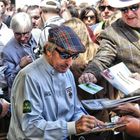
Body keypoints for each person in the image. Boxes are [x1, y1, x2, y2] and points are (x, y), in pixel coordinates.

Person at [7, 25, 104, 140]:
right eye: (64, 55)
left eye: (74, 56)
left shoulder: (67, 74)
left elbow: (74, 109)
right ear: (48, 50)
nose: (69, 62)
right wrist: (72, 127)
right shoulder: (29, 77)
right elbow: (31, 127)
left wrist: (86, 121)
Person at [79, 0, 140, 139]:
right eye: (124, 9)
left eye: (134, 7)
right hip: (133, 113)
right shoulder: (113, 32)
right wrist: (91, 72)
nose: (129, 13)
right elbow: (102, 58)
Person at [3, 12, 38, 99]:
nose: (22, 38)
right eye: (18, 34)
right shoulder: (7, 51)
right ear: (13, 31)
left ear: (31, 29)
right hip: (24, 95)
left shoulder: (38, 37)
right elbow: (10, 82)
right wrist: (20, 66)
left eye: (26, 33)